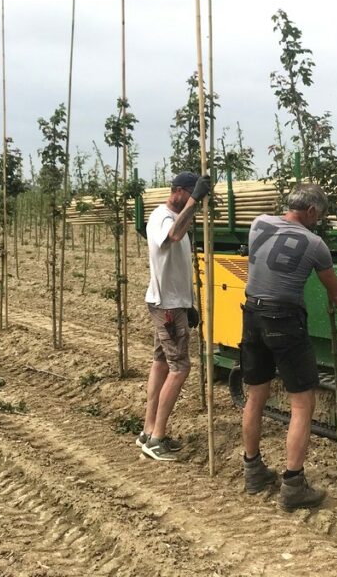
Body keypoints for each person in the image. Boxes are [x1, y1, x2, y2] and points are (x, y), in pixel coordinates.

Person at [239, 184, 337, 510]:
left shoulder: (258, 223)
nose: (318, 221)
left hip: (251, 314)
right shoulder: (315, 243)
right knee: (303, 403)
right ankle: (293, 486)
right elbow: (336, 292)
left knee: (255, 395)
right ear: (311, 212)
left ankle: (253, 471)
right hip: (284, 320)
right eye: (318, 216)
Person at [138, 171, 211, 462]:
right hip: (166, 307)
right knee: (180, 368)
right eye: (191, 196)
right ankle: (157, 438)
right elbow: (173, 235)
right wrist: (196, 199)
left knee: (161, 364)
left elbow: (178, 265)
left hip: (173, 303)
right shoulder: (162, 217)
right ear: (178, 191)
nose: (195, 203)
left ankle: (147, 430)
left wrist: (189, 303)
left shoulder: (179, 216)